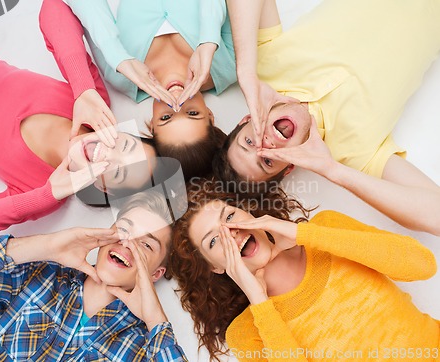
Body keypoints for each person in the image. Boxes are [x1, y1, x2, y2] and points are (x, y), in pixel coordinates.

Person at [214, 0, 440, 235]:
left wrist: (247, 73)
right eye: (267, 161)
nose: (265, 146)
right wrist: (333, 170)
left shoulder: (265, 65)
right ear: (290, 166)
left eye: (249, 142)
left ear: (246, 119)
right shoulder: (355, 154)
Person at [168, 179, 439, 361]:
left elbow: (422, 264)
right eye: (214, 241)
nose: (231, 233)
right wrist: (261, 304)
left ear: (250, 215)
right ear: (215, 266)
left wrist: (305, 234)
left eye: (229, 217)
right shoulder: (246, 332)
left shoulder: (325, 228)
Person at [0, 26, 158, 239]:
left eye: (118, 172)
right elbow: (53, 9)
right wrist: (84, 88)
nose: (109, 153)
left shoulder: (39, 190)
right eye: (125, 145)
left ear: (104, 189)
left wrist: (47, 195)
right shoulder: (94, 104)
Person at [0, 190, 188, 361]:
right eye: (124, 229)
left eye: (146, 245)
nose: (128, 244)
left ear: (155, 273)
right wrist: (47, 245)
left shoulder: (142, 347)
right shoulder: (40, 278)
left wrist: (156, 320)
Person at [40, 0, 234, 179]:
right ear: (209, 115)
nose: (177, 102)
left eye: (166, 118)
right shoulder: (228, 66)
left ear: (152, 124)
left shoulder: (121, 76)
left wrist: (115, 53)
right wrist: (209, 39)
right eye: (192, 113)